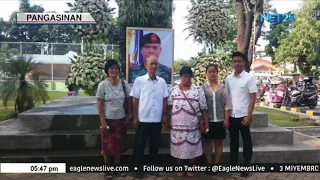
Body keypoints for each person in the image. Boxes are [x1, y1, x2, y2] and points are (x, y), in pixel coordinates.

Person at [130, 55, 169, 179]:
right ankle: (138, 169)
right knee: (139, 145)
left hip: (156, 119)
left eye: (155, 64)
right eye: (151, 64)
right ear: (146, 65)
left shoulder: (162, 82)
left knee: (154, 145)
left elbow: (164, 100)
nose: (153, 66)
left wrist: (164, 116)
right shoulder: (139, 80)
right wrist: (135, 117)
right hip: (143, 119)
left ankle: (152, 167)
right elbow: (134, 100)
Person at [168, 66, 208, 177]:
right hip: (177, 127)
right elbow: (168, 106)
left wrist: (206, 123)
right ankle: (181, 168)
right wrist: (166, 120)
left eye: (189, 77)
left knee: (192, 148)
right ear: (180, 77)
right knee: (178, 148)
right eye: (184, 77)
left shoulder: (197, 90)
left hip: (193, 126)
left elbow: (204, 108)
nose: (187, 79)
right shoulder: (173, 90)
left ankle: (191, 168)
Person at [96, 59, 132, 179]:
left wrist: (129, 115)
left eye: (116, 68)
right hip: (107, 120)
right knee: (106, 146)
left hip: (120, 120)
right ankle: (108, 168)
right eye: (111, 68)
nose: (114, 70)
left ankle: (117, 167)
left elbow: (129, 100)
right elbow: (100, 104)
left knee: (118, 145)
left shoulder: (123, 84)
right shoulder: (103, 85)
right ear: (107, 70)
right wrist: (102, 121)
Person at [225, 51, 257, 177]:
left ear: (244, 63)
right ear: (232, 63)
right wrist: (226, 116)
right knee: (234, 141)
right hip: (232, 115)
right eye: (235, 61)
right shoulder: (228, 78)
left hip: (244, 115)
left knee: (246, 141)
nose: (237, 63)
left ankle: (246, 165)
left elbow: (253, 97)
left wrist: (249, 114)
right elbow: (227, 98)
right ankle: (233, 164)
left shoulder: (249, 78)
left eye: (239, 61)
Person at [202, 64, 231, 173]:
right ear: (206, 74)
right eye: (210, 72)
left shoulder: (223, 88)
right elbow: (201, 106)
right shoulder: (203, 88)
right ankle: (209, 164)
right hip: (208, 121)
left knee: (219, 143)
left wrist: (226, 119)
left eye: (214, 72)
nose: (212, 74)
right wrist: (203, 121)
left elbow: (227, 105)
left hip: (220, 120)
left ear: (217, 73)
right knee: (208, 143)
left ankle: (217, 164)